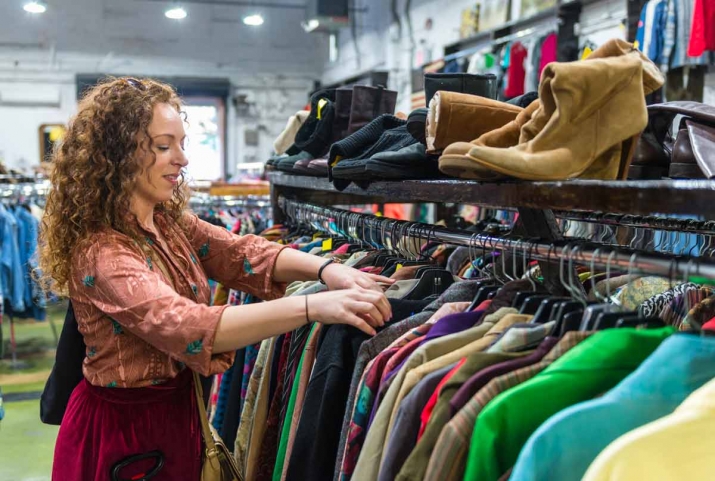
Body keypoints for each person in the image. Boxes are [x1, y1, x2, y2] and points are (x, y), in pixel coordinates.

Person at [39, 77, 394, 480]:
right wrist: (311, 305)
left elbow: (242, 253)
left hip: (177, 413)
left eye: (181, 144)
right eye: (163, 145)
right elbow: (187, 326)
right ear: (117, 154)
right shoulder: (103, 253)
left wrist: (329, 269)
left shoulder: (166, 222)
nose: (181, 159)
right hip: (122, 433)